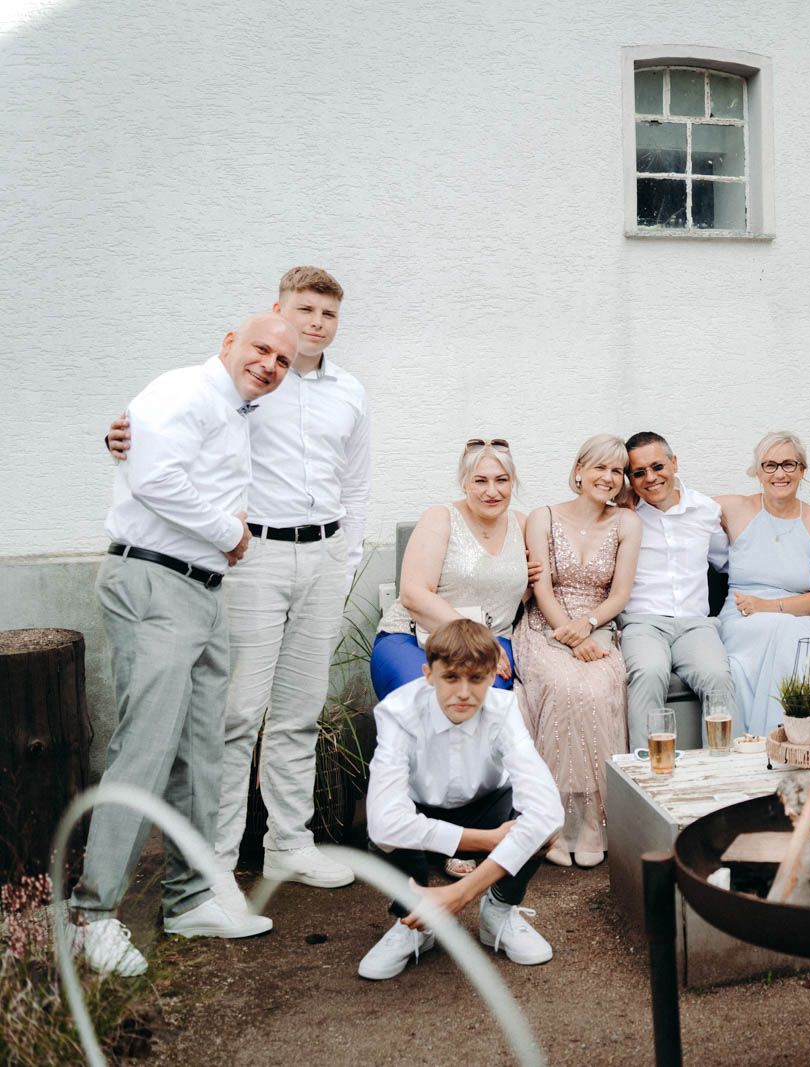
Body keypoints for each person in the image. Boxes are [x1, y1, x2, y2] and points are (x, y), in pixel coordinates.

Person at [106, 267, 371, 896]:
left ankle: (289, 846)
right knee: (237, 714)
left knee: (299, 712)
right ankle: (215, 862)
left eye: (328, 314)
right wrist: (120, 437)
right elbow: (171, 432)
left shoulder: (350, 393)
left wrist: (347, 559)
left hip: (324, 556)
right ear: (278, 310)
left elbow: (355, 483)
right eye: (304, 310)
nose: (316, 324)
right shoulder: (249, 380)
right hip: (254, 557)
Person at [72, 313, 298, 977]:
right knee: (144, 747)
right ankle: (92, 915)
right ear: (229, 341)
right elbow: (155, 478)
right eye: (261, 349)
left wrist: (225, 536)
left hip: (201, 590)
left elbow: (169, 468)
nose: (270, 365)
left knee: (201, 750)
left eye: (283, 361)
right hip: (154, 581)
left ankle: (190, 898)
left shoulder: (235, 411)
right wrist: (230, 533)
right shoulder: (184, 390)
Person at [360, 619, 563, 980]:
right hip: (421, 812)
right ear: (429, 674)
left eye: (476, 678)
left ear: (493, 677)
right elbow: (384, 823)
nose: (464, 693)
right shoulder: (398, 711)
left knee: (543, 829)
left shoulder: (504, 708)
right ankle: (413, 918)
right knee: (383, 835)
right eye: (451, 677)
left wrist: (461, 894)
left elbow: (547, 812)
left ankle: (498, 910)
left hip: (489, 806)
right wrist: (487, 841)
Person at [513, 435, 641, 868]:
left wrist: (588, 626)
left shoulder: (627, 522)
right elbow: (541, 588)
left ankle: (590, 821)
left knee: (598, 690)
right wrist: (570, 635)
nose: (608, 478)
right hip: (543, 625)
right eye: (600, 467)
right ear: (579, 470)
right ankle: (550, 823)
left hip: (598, 627)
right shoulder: (543, 517)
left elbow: (620, 594)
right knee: (563, 686)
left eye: (617, 471)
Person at [372, 439, 529, 701]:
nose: (492, 491)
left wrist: (532, 580)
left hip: (494, 644)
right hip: (415, 638)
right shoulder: (441, 518)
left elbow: (540, 586)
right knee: (428, 699)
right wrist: (477, 639)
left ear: (512, 482)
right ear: (464, 482)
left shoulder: (523, 526)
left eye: (501, 480)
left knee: (475, 702)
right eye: (480, 481)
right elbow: (413, 594)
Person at [717, 431, 810, 736]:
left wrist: (769, 606)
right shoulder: (735, 509)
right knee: (799, 635)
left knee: (804, 635)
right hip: (743, 617)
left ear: (802, 469)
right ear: (757, 472)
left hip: (798, 615)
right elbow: (676, 502)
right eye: (770, 465)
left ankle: (805, 738)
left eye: (788, 464)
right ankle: (792, 736)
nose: (780, 474)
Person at [618, 431, 738, 748]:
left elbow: (727, 563)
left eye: (658, 466)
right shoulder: (623, 514)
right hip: (642, 623)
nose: (650, 478)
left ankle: (722, 767)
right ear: (630, 479)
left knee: (717, 675)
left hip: (695, 625)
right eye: (639, 473)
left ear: (674, 462)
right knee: (649, 672)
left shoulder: (705, 510)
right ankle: (646, 768)